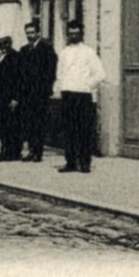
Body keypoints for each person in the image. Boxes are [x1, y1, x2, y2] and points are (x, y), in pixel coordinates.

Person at [53, 19, 105, 174]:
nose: (73, 36)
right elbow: (60, 74)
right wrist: (62, 87)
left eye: (76, 33)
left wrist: (86, 85)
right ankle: (70, 162)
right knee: (69, 130)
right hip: (68, 95)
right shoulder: (64, 53)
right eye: (71, 34)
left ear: (81, 34)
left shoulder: (88, 52)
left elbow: (100, 74)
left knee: (84, 130)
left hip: (83, 96)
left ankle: (85, 162)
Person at [16, 20, 56, 162]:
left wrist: (45, 88)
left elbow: (51, 71)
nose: (30, 36)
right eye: (27, 33)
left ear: (38, 33)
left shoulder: (46, 49)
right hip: (27, 95)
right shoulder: (24, 50)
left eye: (32, 32)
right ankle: (31, 151)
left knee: (39, 123)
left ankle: (38, 153)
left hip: (40, 94)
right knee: (29, 123)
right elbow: (20, 73)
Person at [0, 36, 23, 160]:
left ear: (9, 43)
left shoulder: (15, 57)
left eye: (4, 43)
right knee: (2, 126)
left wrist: (16, 98)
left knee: (12, 126)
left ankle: (12, 152)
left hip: (9, 99)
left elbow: (19, 79)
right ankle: (4, 150)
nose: (2, 46)